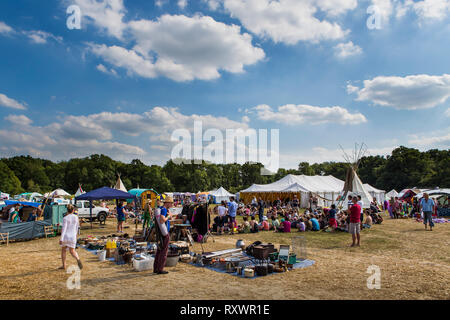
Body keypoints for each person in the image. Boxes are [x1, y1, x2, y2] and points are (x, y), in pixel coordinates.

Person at [154, 197, 174, 275]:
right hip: (164, 233)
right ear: (167, 203)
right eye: (171, 203)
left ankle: (156, 268)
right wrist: (169, 216)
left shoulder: (162, 209)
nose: (172, 205)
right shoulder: (164, 209)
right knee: (164, 251)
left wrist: (169, 216)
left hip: (161, 232)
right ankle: (160, 269)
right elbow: (162, 220)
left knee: (159, 250)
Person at [59, 205, 82, 270]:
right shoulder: (76, 217)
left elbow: (64, 229)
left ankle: (64, 265)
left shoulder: (65, 218)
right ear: (73, 210)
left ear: (67, 210)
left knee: (63, 250)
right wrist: (76, 234)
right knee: (72, 251)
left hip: (66, 236)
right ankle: (78, 259)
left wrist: (61, 239)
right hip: (73, 236)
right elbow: (77, 227)